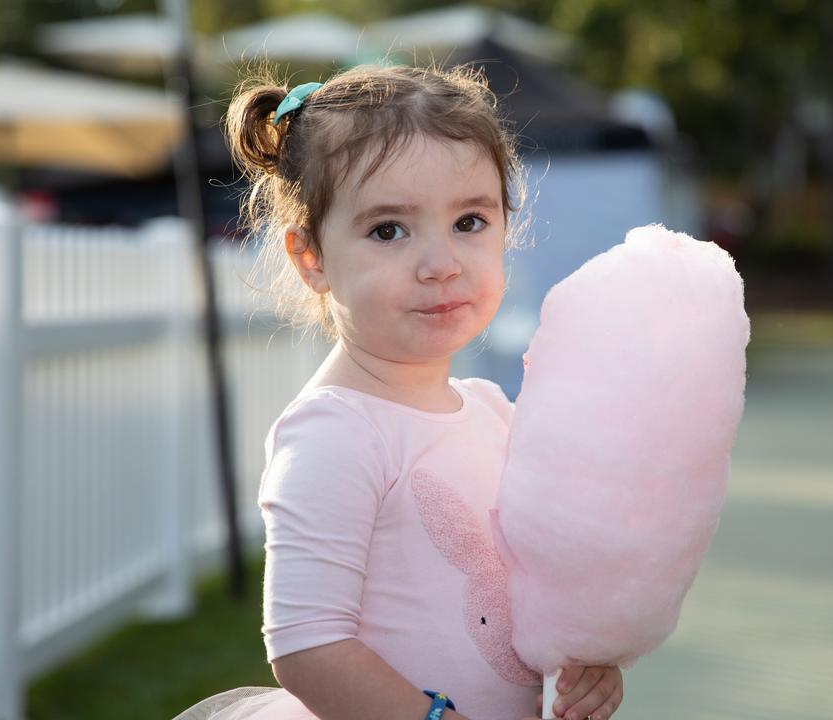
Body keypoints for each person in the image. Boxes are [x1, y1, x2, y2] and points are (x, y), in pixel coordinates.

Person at [173, 65, 624, 720]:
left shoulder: (495, 414)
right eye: (389, 230)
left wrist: (584, 661)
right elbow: (308, 645)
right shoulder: (337, 432)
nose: (440, 262)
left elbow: (533, 588)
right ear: (312, 259)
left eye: (470, 221)